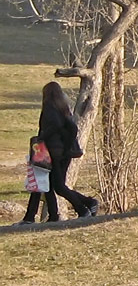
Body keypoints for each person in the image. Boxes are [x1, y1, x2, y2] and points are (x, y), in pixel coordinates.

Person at [18, 82, 98, 223]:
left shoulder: (50, 108)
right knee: (51, 185)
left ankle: (85, 205)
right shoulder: (63, 109)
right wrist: (67, 147)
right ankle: (54, 216)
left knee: (57, 186)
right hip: (61, 153)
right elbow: (72, 129)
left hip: (53, 153)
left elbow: (56, 126)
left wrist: (43, 137)